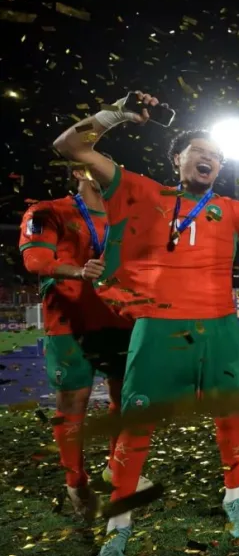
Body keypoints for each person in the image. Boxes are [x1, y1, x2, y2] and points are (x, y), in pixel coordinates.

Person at [51, 92, 239, 556]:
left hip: (219, 327)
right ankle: (119, 526)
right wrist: (118, 114)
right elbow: (70, 146)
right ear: (177, 157)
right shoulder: (141, 191)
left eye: (218, 155)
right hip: (159, 328)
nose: (211, 158)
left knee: (228, 416)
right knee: (137, 425)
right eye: (200, 150)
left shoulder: (231, 208)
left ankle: (235, 498)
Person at [18, 168, 148, 519]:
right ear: (79, 169)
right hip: (69, 324)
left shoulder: (128, 218)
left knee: (125, 404)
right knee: (73, 406)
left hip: (121, 321)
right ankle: (76, 481)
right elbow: (35, 260)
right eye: (99, 161)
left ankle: (115, 473)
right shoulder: (47, 211)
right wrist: (78, 271)